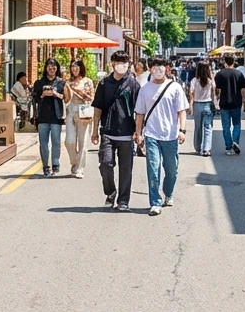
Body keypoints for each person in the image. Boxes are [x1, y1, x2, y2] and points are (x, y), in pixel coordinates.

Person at [135, 58, 189, 216]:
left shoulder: (175, 87)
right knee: (153, 169)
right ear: (150, 69)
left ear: (167, 68)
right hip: (151, 134)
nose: (158, 69)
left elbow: (182, 111)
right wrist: (138, 134)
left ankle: (168, 192)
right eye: (154, 66)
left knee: (172, 170)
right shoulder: (145, 89)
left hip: (170, 135)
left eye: (161, 66)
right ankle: (155, 202)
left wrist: (182, 130)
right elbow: (140, 113)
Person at [92, 51, 142, 211]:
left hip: (127, 132)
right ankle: (110, 191)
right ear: (112, 64)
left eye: (125, 62)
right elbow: (97, 108)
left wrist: (138, 132)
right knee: (105, 164)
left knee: (126, 169)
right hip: (107, 131)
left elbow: (140, 111)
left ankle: (123, 200)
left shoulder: (133, 84)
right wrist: (94, 130)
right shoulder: (104, 84)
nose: (122, 65)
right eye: (119, 62)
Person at [33, 58, 66, 176]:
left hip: (56, 117)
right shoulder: (39, 83)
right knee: (43, 143)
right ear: (46, 68)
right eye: (49, 67)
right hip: (42, 116)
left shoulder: (61, 82)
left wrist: (55, 94)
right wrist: (43, 95)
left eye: (53, 66)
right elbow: (34, 98)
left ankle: (55, 164)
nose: (51, 69)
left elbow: (66, 97)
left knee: (56, 142)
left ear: (57, 68)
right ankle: (45, 166)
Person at [63, 60, 96, 178]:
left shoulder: (87, 81)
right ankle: (75, 161)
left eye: (76, 66)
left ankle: (80, 168)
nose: (74, 68)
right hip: (71, 112)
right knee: (69, 141)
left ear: (81, 68)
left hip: (83, 112)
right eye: (72, 66)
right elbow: (66, 99)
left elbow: (91, 98)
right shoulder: (68, 82)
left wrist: (79, 92)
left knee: (83, 142)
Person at [213, 54, 245, 155]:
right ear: (233, 62)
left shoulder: (220, 74)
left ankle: (228, 147)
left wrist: (217, 97)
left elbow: (217, 89)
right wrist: (244, 101)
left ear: (225, 62)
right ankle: (235, 141)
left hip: (224, 103)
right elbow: (243, 89)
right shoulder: (239, 73)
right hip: (236, 102)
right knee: (237, 124)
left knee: (226, 126)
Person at [187, 60, 216, 157]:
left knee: (198, 127)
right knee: (208, 127)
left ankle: (198, 147)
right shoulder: (210, 80)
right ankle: (206, 149)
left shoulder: (194, 80)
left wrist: (190, 105)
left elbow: (191, 93)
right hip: (208, 104)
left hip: (197, 104)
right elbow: (214, 91)